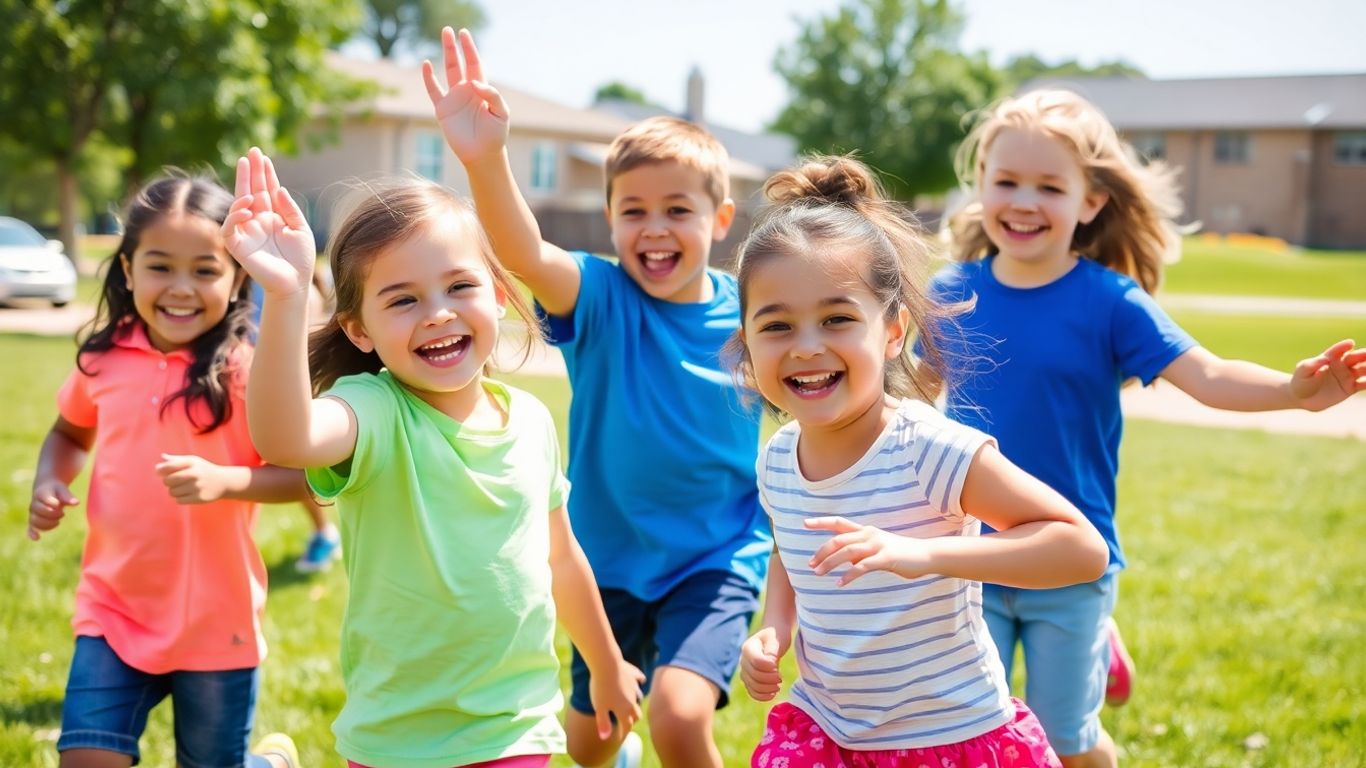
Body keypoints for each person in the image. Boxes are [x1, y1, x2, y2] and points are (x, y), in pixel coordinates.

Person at [934, 88, 1366, 768]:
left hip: (1071, 560)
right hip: (969, 557)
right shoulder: (948, 293)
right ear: (981, 185)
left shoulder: (1111, 302)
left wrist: (1293, 392)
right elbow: (902, 396)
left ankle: (1095, 638)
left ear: (1091, 202)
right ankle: (1099, 644)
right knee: (968, 730)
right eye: (1007, 181)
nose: (1023, 201)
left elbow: (1208, 375)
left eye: (1050, 187)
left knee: (1065, 740)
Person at [222, 147, 644, 768]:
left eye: (460, 286)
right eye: (403, 300)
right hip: (395, 731)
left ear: (498, 294)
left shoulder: (530, 420)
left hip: (513, 722)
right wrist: (285, 296)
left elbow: (561, 556)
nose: (438, 313)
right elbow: (287, 439)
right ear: (359, 330)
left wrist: (606, 664)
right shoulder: (372, 410)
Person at [424, 28, 771, 768]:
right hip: (604, 562)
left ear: (719, 219)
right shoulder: (601, 294)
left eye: (677, 209)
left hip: (716, 557)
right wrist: (485, 159)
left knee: (679, 717)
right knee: (590, 746)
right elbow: (522, 253)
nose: (654, 228)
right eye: (633, 210)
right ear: (610, 217)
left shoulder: (751, 314)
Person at [729, 155, 1108, 767]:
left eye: (837, 319)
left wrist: (923, 554)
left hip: (950, 735)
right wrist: (775, 627)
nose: (807, 346)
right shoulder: (778, 459)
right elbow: (790, 550)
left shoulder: (927, 449)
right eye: (777, 326)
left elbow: (1081, 548)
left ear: (893, 331)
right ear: (746, 339)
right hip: (831, 731)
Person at [27, 174, 305, 768]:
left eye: (205, 270)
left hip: (216, 620)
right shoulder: (103, 360)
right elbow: (69, 433)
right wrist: (51, 480)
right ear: (128, 271)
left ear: (237, 280)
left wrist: (227, 481)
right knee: (85, 759)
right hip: (113, 609)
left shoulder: (246, 373)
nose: (181, 288)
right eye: (160, 267)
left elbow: (305, 478)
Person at [250, 271, 343, 573]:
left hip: (290, 392)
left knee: (295, 470)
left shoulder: (300, 292)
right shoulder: (242, 282)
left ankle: (325, 533)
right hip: (253, 387)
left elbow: (304, 350)